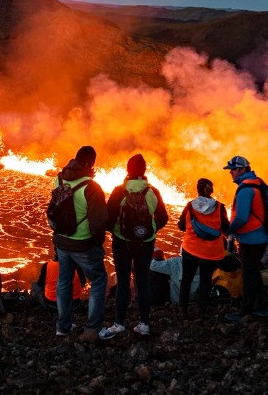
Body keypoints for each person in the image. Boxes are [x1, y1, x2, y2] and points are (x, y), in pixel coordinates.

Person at [51, 146, 113, 341]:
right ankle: (92, 328)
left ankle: (63, 326)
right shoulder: (91, 187)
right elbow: (98, 221)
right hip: (83, 243)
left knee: (64, 282)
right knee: (98, 281)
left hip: (61, 241)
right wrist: (98, 243)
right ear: (90, 163)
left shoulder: (59, 179)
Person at [104, 153, 168, 337]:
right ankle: (144, 324)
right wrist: (149, 231)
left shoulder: (119, 190)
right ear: (145, 170)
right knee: (142, 281)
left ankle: (119, 323)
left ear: (128, 170)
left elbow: (109, 220)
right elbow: (163, 218)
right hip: (145, 243)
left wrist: (119, 231)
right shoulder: (153, 192)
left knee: (123, 281)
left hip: (122, 242)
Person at [223, 155, 268, 321]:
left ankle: (245, 311)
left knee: (249, 274)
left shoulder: (245, 190)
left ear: (242, 169)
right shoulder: (258, 183)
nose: (231, 173)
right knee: (255, 271)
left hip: (251, 239)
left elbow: (242, 218)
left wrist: (228, 229)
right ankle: (262, 307)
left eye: (233, 170)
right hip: (262, 236)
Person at [176, 177, 229, 316]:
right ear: (211, 190)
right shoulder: (220, 207)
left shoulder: (189, 206)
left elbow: (181, 226)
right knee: (206, 281)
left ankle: (183, 310)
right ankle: (202, 310)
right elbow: (226, 228)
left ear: (197, 189)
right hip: (211, 253)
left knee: (186, 279)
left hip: (191, 250)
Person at [31, 244, 86, 310]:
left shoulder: (47, 266)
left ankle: (33, 308)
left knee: (34, 285)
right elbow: (82, 283)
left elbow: (41, 284)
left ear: (55, 251)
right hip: (74, 305)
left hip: (52, 305)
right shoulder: (77, 266)